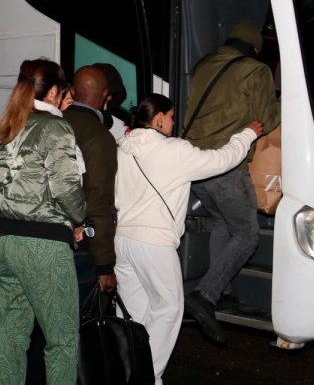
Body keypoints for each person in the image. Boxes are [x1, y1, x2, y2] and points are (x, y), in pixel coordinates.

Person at [116, 94, 261, 382]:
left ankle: (127, 370)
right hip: (154, 242)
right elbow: (221, 160)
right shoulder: (174, 150)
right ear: (158, 118)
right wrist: (246, 136)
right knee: (169, 308)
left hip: (123, 241)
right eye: (170, 117)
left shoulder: (124, 148)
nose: (173, 122)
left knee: (134, 316)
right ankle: (145, 376)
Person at [0, 59, 86, 385]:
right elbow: (65, 187)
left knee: (11, 341)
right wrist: (82, 217)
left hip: (3, 242)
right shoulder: (54, 127)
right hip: (43, 245)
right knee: (62, 341)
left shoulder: (6, 127)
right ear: (56, 92)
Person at [183, 21, 280, 343]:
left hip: (195, 165)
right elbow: (265, 119)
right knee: (248, 234)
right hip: (225, 165)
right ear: (255, 47)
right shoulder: (256, 70)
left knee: (222, 224)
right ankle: (206, 295)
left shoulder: (204, 65)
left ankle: (221, 292)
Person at [63, 66, 119, 306]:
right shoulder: (99, 136)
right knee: (76, 323)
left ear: (73, 92)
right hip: (83, 240)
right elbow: (98, 201)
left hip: (48, 237)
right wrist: (104, 263)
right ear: (105, 94)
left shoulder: (53, 124)